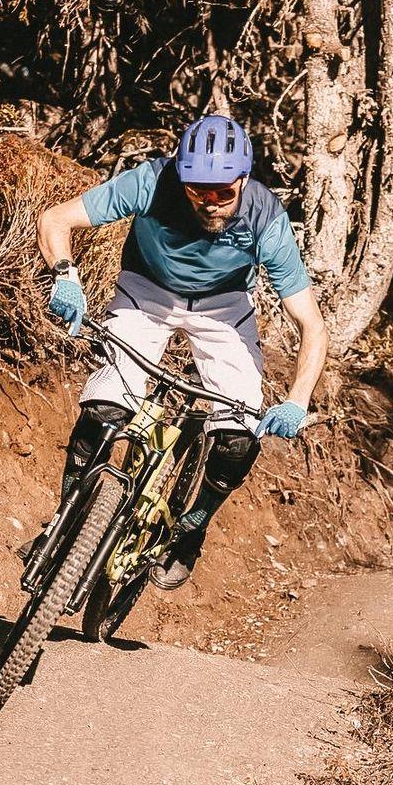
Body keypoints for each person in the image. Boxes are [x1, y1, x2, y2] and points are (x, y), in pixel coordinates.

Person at [33, 114, 328, 589]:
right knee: (103, 410)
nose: (210, 203)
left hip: (223, 309)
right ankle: (63, 523)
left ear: (244, 179)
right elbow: (56, 219)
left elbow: (311, 324)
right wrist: (65, 275)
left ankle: (191, 532)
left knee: (237, 441)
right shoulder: (153, 181)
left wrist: (297, 400)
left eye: (223, 192)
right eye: (197, 190)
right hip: (146, 291)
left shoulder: (266, 218)